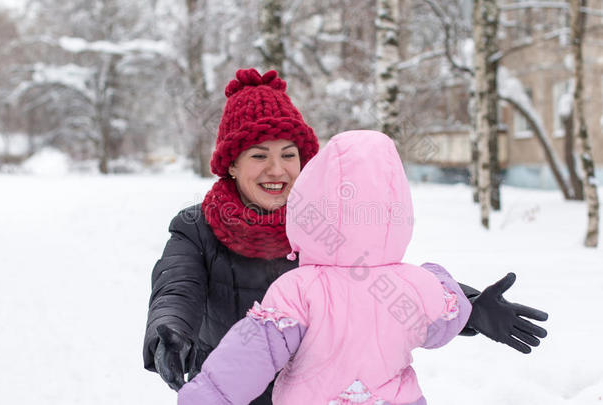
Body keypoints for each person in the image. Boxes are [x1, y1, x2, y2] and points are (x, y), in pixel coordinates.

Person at [143, 69, 548, 405]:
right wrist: (171, 328)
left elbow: (382, 281)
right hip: (229, 388)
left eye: (288, 154)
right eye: (259, 155)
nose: (277, 169)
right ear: (231, 164)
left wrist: (471, 307)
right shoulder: (198, 226)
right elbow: (177, 285)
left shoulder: (328, 220)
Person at [178, 129, 475, 404]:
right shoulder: (416, 283)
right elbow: (446, 323)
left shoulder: (297, 288)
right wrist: (441, 280)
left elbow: (252, 355)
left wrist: (204, 397)